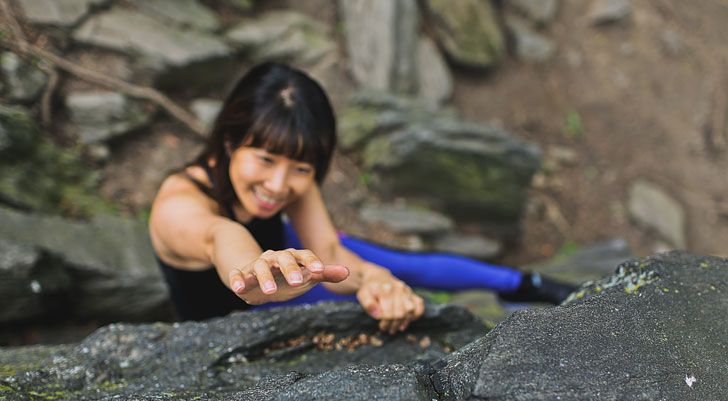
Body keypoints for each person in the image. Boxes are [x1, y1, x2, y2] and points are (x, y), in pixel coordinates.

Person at [149, 62, 576, 332]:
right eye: (265, 159)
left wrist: (374, 278)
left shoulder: (291, 178)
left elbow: (329, 249)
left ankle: (525, 284)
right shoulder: (178, 204)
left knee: (396, 268)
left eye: (301, 168)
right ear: (228, 142)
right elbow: (219, 236)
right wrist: (253, 268)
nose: (280, 185)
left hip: (293, 268)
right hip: (250, 311)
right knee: (385, 284)